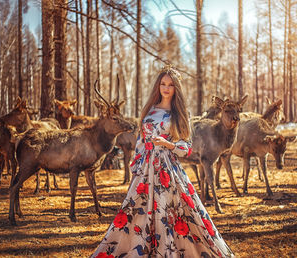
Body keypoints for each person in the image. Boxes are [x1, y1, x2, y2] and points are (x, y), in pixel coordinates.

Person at [91, 65, 235, 257]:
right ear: (158, 86)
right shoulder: (149, 110)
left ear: (176, 88)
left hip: (168, 169)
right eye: (163, 84)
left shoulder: (180, 113)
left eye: (171, 85)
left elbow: (187, 147)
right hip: (145, 169)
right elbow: (141, 141)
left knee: (172, 212)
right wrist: (135, 165)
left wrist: (169, 144)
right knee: (136, 211)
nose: (166, 88)